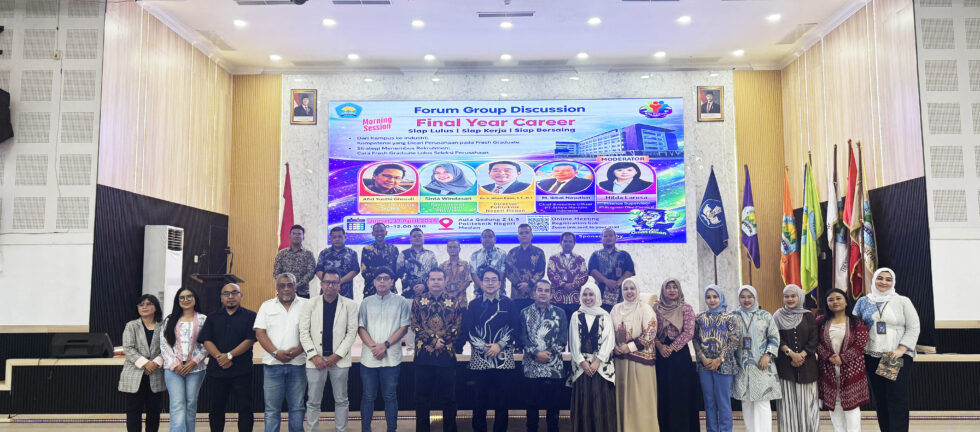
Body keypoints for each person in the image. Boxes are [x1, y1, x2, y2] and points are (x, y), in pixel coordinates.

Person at [853, 268, 920, 432]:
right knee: (880, 398)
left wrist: (901, 349)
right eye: (880, 278)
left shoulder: (902, 301)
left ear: (893, 282)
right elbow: (854, 326)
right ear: (873, 280)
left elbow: (913, 327)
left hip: (893, 356)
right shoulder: (863, 302)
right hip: (871, 355)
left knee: (895, 397)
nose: (883, 282)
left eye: (888, 279)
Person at [299, 269, 359, 432]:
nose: (330, 286)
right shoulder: (310, 304)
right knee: (313, 401)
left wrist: (337, 355)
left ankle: (341, 429)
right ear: (321, 284)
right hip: (315, 360)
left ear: (340, 285)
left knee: (341, 400)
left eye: (334, 282)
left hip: (339, 361)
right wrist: (313, 355)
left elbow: (351, 333)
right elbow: (303, 332)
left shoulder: (350, 305)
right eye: (327, 282)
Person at [463, 267, 519, 432]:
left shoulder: (509, 303)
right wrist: (484, 347)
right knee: (479, 403)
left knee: (502, 403)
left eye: (494, 280)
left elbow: (515, 327)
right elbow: (468, 329)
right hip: (480, 360)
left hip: (503, 360)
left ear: (500, 283)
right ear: (480, 283)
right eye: (486, 280)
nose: (490, 283)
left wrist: (499, 345)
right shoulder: (474, 304)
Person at [357, 267, 411, 432]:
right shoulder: (366, 302)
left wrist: (385, 345)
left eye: (386, 278)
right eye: (379, 278)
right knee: (367, 396)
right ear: (374, 282)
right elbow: (361, 327)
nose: (382, 281)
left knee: (390, 397)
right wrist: (375, 347)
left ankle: (391, 429)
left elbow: (404, 327)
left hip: (391, 358)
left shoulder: (401, 302)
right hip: (369, 358)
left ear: (392, 282)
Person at [411, 268, 465, 432]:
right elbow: (415, 325)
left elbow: (457, 326)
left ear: (445, 281)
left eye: (439, 279)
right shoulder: (418, 301)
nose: (436, 282)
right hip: (423, 357)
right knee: (421, 400)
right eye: (433, 279)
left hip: (446, 357)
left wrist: (442, 341)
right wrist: (432, 341)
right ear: (427, 282)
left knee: (449, 400)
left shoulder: (454, 301)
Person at [199, 283, 257, 432]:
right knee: (216, 408)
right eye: (226, 293)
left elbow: (250, 339)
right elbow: (206, 340)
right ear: (221, 297)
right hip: (217, 371)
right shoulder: (212, 317)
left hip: (242, 371)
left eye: (234, 293)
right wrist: (220, 358)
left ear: (241, 295)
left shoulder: (251, 316)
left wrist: (229, 356)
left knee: (245, 408)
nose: (230, 296)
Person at [254, 273, 308, 432]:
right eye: (282, 285)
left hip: (298, 364)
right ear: (276, 288)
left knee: (297, 407)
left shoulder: (307, 305)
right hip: (273, 365)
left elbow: (312, 331)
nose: (286, 288)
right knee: (272, 409)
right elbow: (260, 333)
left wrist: (298, 351)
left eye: (290, 285)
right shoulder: (266, 306)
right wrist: (275, 353)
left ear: (295, 287)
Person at [609, 277, 660, 432]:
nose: (629, 292)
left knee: (640, 400)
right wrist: (614, 347)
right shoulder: (616, 309)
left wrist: (630, 347)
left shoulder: (645, 308)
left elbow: (651, 331)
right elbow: (608, 331)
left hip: (641, 363)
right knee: (623, 399)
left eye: (632, 288)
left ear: (637, 290)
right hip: (620, 363)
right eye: (626, 289)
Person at [817, 289, 870, 432]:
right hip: (828, 369)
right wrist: (828, 356)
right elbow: (815, 342)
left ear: (846, 302)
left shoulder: (856, 322)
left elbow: (860, 344)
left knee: (851, 406)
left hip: (851, 369)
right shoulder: (820, 321)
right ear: (826, 303)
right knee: (834, 404)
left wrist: (843, 358)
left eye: (838, 298)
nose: (835, 302)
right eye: (831, 300)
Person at [518, 280, 568, 432]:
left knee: (553, 409)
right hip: (531, 367)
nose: (543, 293)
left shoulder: (560, 313)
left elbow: (562, 338)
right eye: (540, 290)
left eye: (547, 291)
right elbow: (522, 338)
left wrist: (547, 354)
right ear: (534, 293)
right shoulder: (524, 313)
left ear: (551, 295)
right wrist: (536, 354)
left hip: (554, 368)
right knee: (531, 407)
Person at [567, 283, 616, 432]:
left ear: (597, 296)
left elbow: (609, 340)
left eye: (591, 294)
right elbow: (573, 341)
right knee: (583, 404)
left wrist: (597, 361)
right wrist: (583, 362)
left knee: (601, 405)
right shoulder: (576, 315)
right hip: (582, 368)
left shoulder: (605, 315)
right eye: (585, 294)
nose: (588, 298)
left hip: (600, 367)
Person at [732, 285, 781, 432]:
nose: (746, 300)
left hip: (762, 364)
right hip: (741, 366)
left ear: (755, 298)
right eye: (743, 297)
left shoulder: (765, 316)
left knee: (762, 403)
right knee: (746, 403)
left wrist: (768, 355)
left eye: (750, 296)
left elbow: (774, 337)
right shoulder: (733, 316)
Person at [653, 278, 699, 432]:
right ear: (663, 290)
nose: (672, 290)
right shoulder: (656, 308)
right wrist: (660, 346)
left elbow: (689, 332)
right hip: (661, 356)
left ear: (679, 290)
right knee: (664, 392)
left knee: (681, 393)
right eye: (668, 287)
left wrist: (671, 348)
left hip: (680, 357)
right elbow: (651, 330)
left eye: (675, 287)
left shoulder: (686, 308)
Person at [160, 288, 208, 432]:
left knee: (191, 404)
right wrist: (175, 365)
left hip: (196, 369)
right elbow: (164, 344)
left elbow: (208, 343)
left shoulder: (204, 319)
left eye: (189, 296)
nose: (186, 300)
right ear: (178, 301)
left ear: (195, 298)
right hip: (173, 370)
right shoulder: (169, 319)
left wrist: (194, 362)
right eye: (182, 297)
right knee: (177, 404)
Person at [774, 284, 819, 432]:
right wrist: (791, 354)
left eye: (793, 296)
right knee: (787, 407)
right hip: (786, 367)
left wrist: (801, 355)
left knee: (807, 406)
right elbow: (776, 338)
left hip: (807, 367)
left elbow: (814, 339)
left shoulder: (808, 315)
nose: (790, 299)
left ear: (799, 297)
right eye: (786, 296)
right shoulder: (777, 315)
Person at [694, 285, 739, 432]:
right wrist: (702, 358)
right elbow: (695, 339)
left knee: (723, 402)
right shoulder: (699, 318)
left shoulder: (730, 318)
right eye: (708, 297)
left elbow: (734, 340)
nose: (712, 300)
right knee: (709, 402)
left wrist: (720, 359)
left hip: (724, 364)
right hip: (704, 365)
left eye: (715, 297)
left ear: (721, 298)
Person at [119, 294, 165, 432]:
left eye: (149, 304)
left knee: (154, 412)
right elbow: (128, 348)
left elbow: (168, 348)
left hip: (156, 373)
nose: (144, 307)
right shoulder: (131, 325)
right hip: (135, 373)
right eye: (141, 304)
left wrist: (155, 363)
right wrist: (146, 363)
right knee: (133, 412)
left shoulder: (163, 326)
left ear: (156, 307)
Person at [588, 228, 635, 310]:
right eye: (605, 236)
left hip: (620, 291)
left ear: (615, 238)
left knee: (619, 313)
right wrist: (606, 281)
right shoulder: (595, 255)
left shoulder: (624, 255)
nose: (608, 238)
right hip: (600, 291)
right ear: (601, 239)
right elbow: (592, 271)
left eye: (610, 235)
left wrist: (619, 282)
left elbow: (630, 270)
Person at [546, 232, 589, 321]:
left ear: (574, 243)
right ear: (561, 242)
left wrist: (573, 285)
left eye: (570, 241)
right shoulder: (553, 258)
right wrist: (563, 284)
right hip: (557, 299)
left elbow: (584, 276)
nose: (567, 244)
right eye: (565, 241)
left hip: (574, 300)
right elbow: (550, 274)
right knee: (557, 325)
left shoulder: (580, 259)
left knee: (573, 325)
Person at [505, 223, 546, 312]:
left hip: (533, 294)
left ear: (531, 235)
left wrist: (529, 284)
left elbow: (541, 271)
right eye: (521, 233)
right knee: (516, 318)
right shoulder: (512, 252)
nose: (524, 235)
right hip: (516, 294)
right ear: (518, 236)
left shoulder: (539, 252)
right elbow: (508, 271)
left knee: (533, 318)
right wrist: (519, 285)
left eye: (526, 233)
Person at [274, 224, 317, 298]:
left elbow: (311, 273)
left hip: (303, 292)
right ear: (289, 237)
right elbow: (276, 272)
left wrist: (296, 285)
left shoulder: (308, 254)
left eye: (299, 234)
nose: (296, 236)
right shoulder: (282, 253)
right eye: (294, 234)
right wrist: (287, 285)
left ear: (303, 237)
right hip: (285, 291)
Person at [316, 226, 360, 299]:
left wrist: (339, 282)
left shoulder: (352, 253)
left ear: (345, 237)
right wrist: (328, 282)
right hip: (327, 290)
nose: (337, 239)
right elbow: (318, 270)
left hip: (346, 291)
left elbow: (355, 270)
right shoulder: (324, 253)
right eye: (334, 237)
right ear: (330, 238)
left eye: (340, 237)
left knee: (346, 306)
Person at [396, 227, 439, 299]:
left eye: (419, 236)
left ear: (423, 238)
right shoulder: (404, 254)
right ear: (410, 239)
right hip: (408, 293)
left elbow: (435, 273)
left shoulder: (430, 254)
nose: (417, 238)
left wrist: (424, 285)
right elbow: (399, 273)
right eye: (414, 236)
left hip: (427, 293)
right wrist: (412, 286)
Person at [361, 223, 400, 297]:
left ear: (386, 232)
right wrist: (378, 282)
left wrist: (387, 282)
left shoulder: (393, 249)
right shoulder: (367, 250)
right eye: (377, 231)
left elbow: (397, 271)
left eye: (382, 231)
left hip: (390, 290)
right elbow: (364, 271)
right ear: (373, 233)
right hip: (371, 290)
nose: (379, 233)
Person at [469, 228, 507, 297]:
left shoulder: (502, 254)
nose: (487, 239)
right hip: (480, 293)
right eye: (485, 237)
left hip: (499, 293)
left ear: (494, 239)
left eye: (490, 237)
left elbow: (503, 272)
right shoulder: (475, 255)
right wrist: (483, 287)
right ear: (481, 240)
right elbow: (473, 273)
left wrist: (494, 287)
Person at [440, 239, 472, 304]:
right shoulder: (442, 266)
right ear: (447, 250)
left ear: (459, 249)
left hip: (461, 300)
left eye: (455, 247)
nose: (452, 249)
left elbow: (468, 281)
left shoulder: (465, 264)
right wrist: (446, 293)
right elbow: (439, 281)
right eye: (450, 247)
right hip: (446, 300)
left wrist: (456, 292)